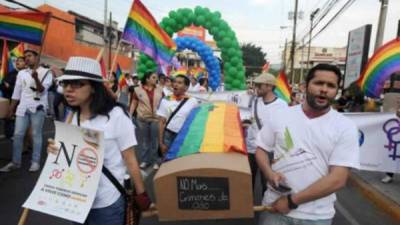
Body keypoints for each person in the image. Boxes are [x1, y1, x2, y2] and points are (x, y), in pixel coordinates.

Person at [47, 56, 151, 225]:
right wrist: (54, 149)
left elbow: (130, 159)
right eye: (65, 84)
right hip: (76, 200)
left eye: (77, 84)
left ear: (94, 88)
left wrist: (142, 195)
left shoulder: (117, 116)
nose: (68, 90)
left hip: (107, 202)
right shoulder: (72, 116)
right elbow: (67, 155)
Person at [256, 64, 359, 225]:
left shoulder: (345, 127)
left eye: (331, 86)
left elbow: (338, 179)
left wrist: (291, 201)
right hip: (273, 210)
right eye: (318, 83)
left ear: (336, 91)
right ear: (305, 86)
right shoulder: (281, 115)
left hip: (316, 217)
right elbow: (261, 149)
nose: (324, 89)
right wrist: (269, 173)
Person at [0, 50, 53, 172]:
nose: (27, 59)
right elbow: (16, 92)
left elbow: (42, 90)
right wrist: (11, 108)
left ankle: (35, 162)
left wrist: (36, 78)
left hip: (38, 108)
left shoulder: (46, 72)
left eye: (29, 56)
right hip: (22, 108)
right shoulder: (22, 73)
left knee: (36, 135)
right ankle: (15, 162)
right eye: (25, 57)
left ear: (37, 57)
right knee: (18, 134)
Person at [246, 73, 288, 194]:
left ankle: (267, 207)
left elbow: (283, 130)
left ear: (269, 87)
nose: (256, 87)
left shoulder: (281, 105)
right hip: (251, 149)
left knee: (268, 182)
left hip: (268, 151)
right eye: (255, 85)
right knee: (248, 181)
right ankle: (248, 208)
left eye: (259, 85)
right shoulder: (253, 100)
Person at [130, 72, 163, 170]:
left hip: (156, 119)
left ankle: (156, 161)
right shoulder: (137, 89)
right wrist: (130, 114)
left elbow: (164, 102)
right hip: (143, 118)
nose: (155, 79)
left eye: (156, 77)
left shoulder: (160, 90)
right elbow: (134, 102)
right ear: (147, 79)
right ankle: (145, 160)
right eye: (153, 77)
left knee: (155, 141)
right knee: (145, 141)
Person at [157, 75, 199, 154]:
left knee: (181, 161)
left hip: (184, 136)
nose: (175, 84)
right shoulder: (166, 100)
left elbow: (195, 122)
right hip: (168, 135)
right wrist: (161, 143)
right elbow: (161, 123)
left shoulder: (192, 101)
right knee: (166, 160)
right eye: (174, 82)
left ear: (186, 87)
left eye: (179, 83)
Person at [0, 56, 26, 138]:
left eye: (21, 61)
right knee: (8, 117)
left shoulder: (25, 75)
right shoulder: (10, 73)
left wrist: (9, 87)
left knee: (15, 118)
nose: (18, 62)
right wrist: (6, 87)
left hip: (19, 101)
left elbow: (22, 90)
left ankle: (16, 135)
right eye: (17, 61)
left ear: (25, 64)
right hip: (7, 99)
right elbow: (2, 85)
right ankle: (9, 134)